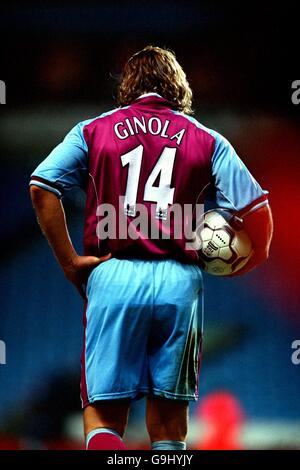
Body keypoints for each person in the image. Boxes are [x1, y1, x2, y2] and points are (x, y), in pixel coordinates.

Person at [29, 46, 273, 450]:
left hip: (114, 273)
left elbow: (42, 186)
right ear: (179, 88)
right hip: (180, 280)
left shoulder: (93, 129)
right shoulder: (208, 140)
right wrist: (250, 260)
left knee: (104, 414)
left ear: (127, 87)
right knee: (169, 422)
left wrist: (71, 263)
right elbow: (258, 211)